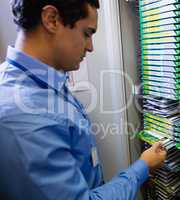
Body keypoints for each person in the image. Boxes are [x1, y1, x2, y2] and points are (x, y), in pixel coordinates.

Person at [0, 0, 167, 199]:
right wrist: (143, 167)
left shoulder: (46, 82)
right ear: (51, 19)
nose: (90, 47)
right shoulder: (21, 115)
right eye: (87, 33)